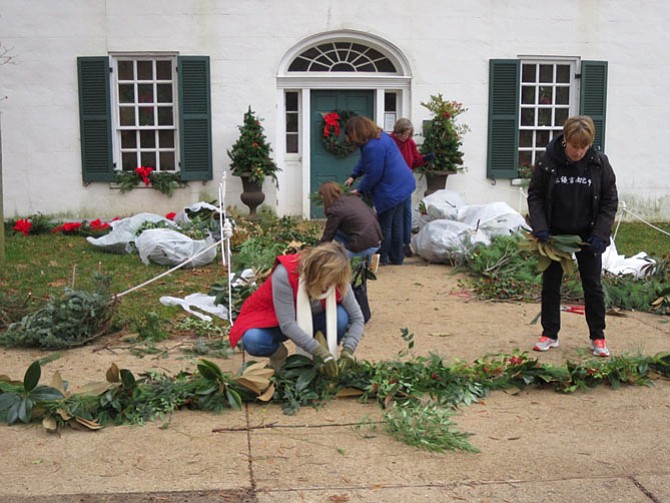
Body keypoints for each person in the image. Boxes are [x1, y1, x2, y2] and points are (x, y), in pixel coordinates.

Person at [527, 115, 618, 357]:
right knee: (551, 285)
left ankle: (597, 337)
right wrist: (540, 227)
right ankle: (550, 333)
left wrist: (601, 233)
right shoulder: (548, 161)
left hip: (588, 236)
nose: (577, 152)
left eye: (583, 147)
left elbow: (609, 201)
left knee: (593, 286)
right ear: (565, 140)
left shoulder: (600, 164)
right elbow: (535, 194)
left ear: (589, 144)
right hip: (555, 235)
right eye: (574, 146)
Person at [228, 242, 365, 375]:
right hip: (275, 320)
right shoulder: (284, 274)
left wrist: (348, 350)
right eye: (328, 280)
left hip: (315, 318)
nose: (331, 284)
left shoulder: (338, 277)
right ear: (317, 272)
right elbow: (287, 324)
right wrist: (318, 350)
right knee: (254, 340)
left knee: (341, 317)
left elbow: (357, 318)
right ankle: (279, 355)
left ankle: (321, 360)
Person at [343, 115, 416, 266]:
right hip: (403, 183)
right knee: (397, 223)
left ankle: (381, 259)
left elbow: (374, 173)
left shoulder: (373, 146)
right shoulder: (379, 138)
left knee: (385, 225)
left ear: (357, 132)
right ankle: (397, 258)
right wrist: (354, 175)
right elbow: (365, 162)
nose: (349, 139)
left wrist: (360, 190)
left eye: (350, 135)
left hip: (392, 188)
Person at [390, 118, 435, 257]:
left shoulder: (410, 143)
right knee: (394, 215)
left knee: (407, 212)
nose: (406, 136)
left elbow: (415, 161)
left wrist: (425, 159)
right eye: (404, 134)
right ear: (398, 132)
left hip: (406, 182)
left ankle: (406, 243)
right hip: (392, 182)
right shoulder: (390, 142)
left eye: (408, 134)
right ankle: (393, 245)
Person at [318, 181, 382, 260]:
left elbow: (328, 235)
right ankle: (367, 260)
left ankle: (361, 256)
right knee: (337, 231)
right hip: (376, 239)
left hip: (366, 244)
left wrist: (316, 251)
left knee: (335, 259)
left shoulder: (335, 210)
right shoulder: (352, 199)